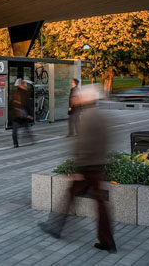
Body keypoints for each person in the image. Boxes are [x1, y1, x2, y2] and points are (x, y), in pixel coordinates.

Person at [40, 86, 116, 253]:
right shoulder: (101, 116)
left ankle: (55, 227)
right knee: (99, 203)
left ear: (86, 100)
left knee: (70, 196)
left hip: (87, 167)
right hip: (98, 165)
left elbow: (82, 144)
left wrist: (78, 168)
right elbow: (107, 140)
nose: (76, 99)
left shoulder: (86, 117)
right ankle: (107, 240)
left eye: (80, 97)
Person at [10, 79, 34, 148]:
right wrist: (30, 114)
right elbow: (27, 105)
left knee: (15, 130)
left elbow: (11, 102)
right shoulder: (24, 93)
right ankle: (30, 139)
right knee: (26, 128)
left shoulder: (15, 92)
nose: (25, 86)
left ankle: (15, 144)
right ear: (21, 85)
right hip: (22, 114)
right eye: (23, 84)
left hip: (17, 114)